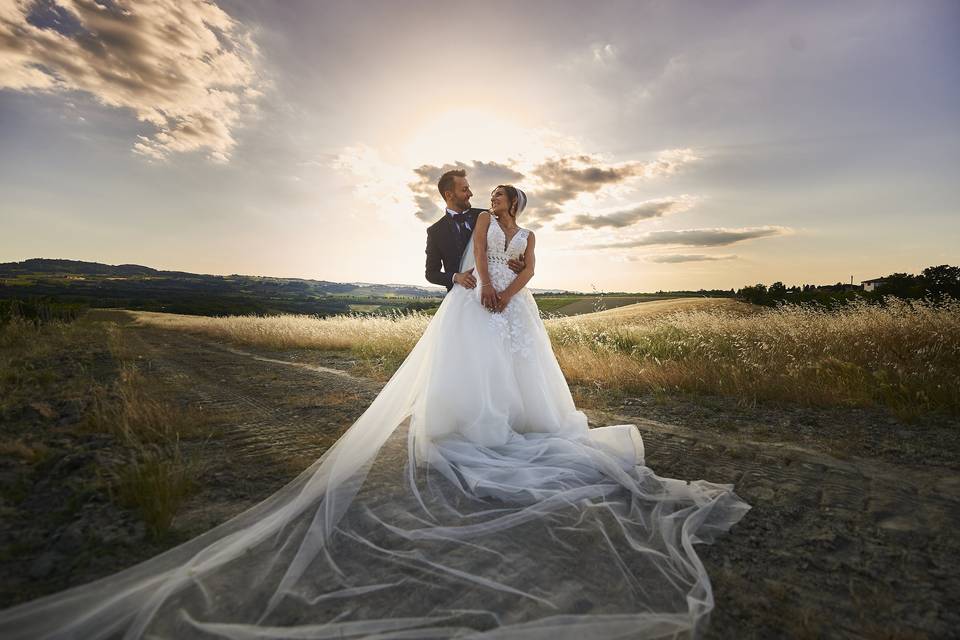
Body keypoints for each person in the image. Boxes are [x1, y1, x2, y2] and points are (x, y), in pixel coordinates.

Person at [0, 181, 751, 640]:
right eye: (493, 201)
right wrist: (479, 288)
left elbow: (529, 271)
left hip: (514, 310)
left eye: (507, 202)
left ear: (521, 207)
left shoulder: (528, 235)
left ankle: (522, 427)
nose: (498, 208)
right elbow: (471, 262)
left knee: (525, 383)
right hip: (475, 304)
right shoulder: (483, 227)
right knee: (477, 373)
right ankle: (473, 427)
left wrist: (508, 292)